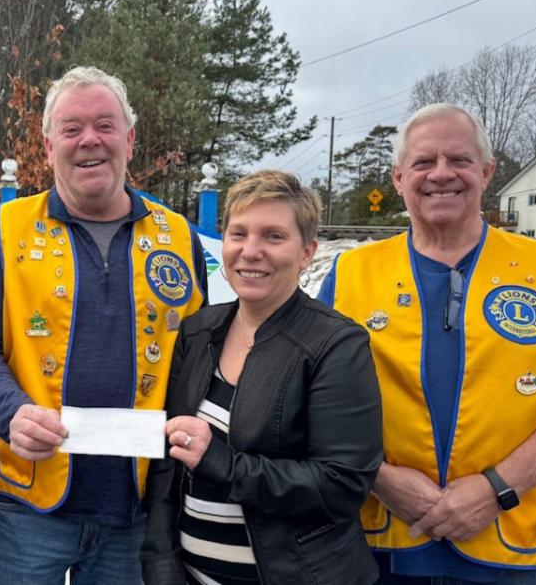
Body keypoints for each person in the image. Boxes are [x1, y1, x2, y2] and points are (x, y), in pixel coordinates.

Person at [318, 103, 536, 584]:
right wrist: (380, 478)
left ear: (486, 172)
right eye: (423, 162)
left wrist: (494, 489)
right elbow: (310, 401)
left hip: (506, 545)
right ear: (398, 178)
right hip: (376, 544)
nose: (441, 174)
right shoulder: (352, 274)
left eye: (458, 160)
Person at [0, 65, 209, 583]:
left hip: (139, 504)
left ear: (130, 140)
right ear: (49, 147)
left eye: (105, 125)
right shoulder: (4, 230)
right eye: (71, 129)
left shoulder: (178, 236)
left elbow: (202, 354)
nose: (89, 140)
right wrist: (11, 410)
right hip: (29, 504)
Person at [142, 170, 383, 584]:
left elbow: (340, 485)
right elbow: (168, 468)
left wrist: (221, 461)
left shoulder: (336, 345)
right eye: (239, 234)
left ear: (307, 251)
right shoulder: (198, 332)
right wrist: (162, 567)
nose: (250, 252)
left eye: (273, 236)